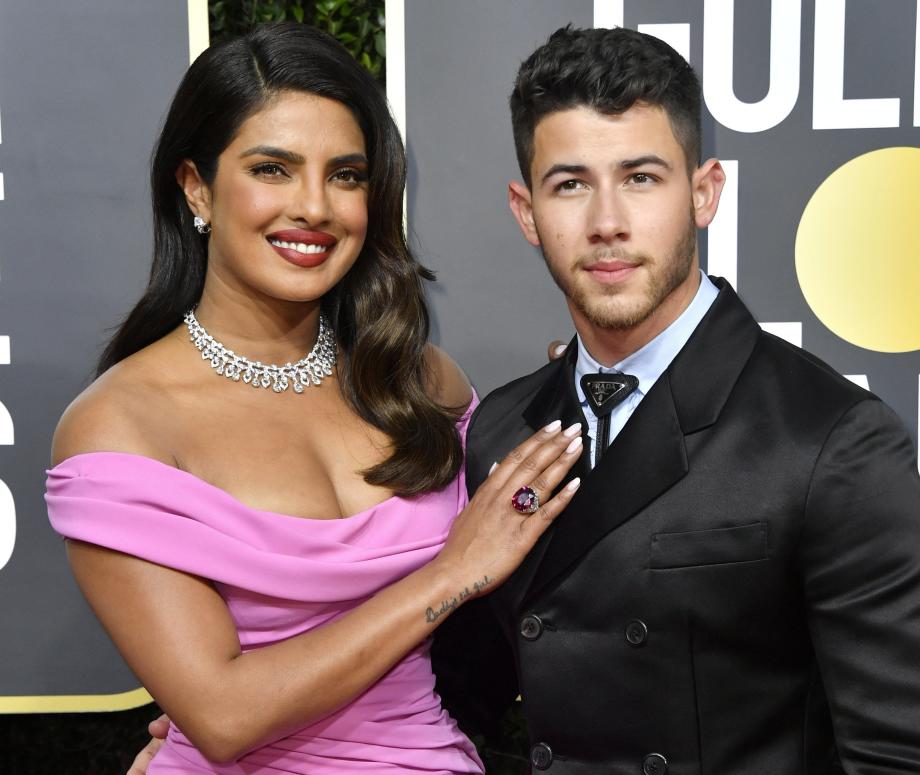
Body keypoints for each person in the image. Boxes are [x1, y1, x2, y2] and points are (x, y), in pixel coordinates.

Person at [46, 23, 584, 774]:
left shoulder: (419, 379)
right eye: (273, 169)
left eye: (346, 175)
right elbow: (227, 715)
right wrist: (449, 573)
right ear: (196, 187)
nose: (315, 207)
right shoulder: (121, 424)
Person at [429, 24, 920, 774]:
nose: (607, 221)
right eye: (570, 183)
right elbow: (446, 710)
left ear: (704, 192)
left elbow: (910, 759)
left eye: (641, 177)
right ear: (526, 212)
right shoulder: (501, 433)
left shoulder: (831, 439)